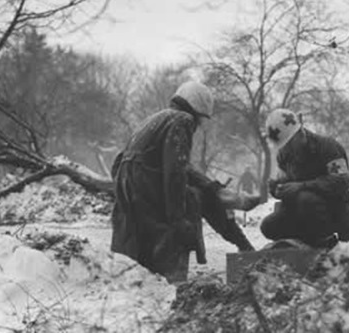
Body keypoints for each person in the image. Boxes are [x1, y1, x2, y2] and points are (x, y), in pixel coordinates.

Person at [110, 81, 259, 282]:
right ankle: (244, 247)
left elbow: (121, 162)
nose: (197, 125)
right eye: (200, 120)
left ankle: (243, 244)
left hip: (130, 191)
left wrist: (210, 185)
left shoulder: (154, 119)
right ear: (197, 110)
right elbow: (175, 172)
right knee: (196, 199)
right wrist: (178, 218)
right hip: (145, 186)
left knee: (205, 193)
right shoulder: (182, 120)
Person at [260, 108, 349, 249]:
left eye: (289, 144)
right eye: (284, 146)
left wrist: (302, 186)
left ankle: (325, 243)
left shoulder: (328, 147)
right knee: (268, 227)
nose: (287, 150)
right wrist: (276, 188)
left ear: (300, 133)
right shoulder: (284, 156)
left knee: (306, 199)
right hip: (301, 211)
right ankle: (303, 241)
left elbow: (341, 182)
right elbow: (284, 183)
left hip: (335, 210)